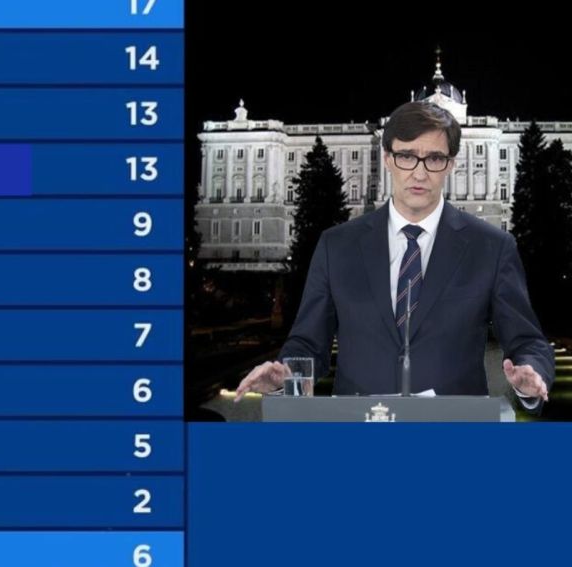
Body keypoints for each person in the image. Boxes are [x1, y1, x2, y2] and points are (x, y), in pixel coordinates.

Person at [235, 101, 553, 410]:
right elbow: (307, 343)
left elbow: (528, 341)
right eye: (407, 156)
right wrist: (285, 377)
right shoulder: (336, 246)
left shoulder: (492, 247)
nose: (419, 173)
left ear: (451, 164)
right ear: (387, 159)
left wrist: (531, 375)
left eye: (434, 158)